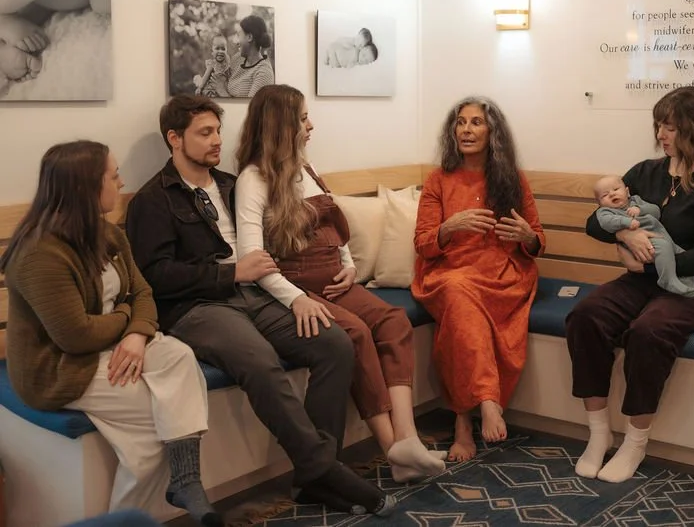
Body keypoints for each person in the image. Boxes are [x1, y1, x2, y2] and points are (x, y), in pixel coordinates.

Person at [125, 95, 395, 516]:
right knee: (259, 361)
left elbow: (269, 243)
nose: (217, 140)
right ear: (173, 139)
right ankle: (326, 468)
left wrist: (303, 287)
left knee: (334, 344)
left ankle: (312, 479)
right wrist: (231, 274)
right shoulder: (153, 200)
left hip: (253, 294)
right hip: (197, 308)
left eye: (217, 130)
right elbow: (156, 276)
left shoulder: (232, 183)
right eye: (205, 132)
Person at [1, 140, 221, 525]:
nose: (121, 182)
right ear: (86, 186)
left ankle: (185, 479)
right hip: (61, 366)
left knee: (179, 356)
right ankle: (131, 517)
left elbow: (144, 291)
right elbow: (76, 336)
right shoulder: (40, 255)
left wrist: (137, 335)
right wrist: (128, 317)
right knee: (155, 428)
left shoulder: (107, 234)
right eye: (114, 175)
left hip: (116, 344)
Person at [234, 84, 445, 483]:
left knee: (395, 321)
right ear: (280, 126)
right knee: (356, 334)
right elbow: (254, 260)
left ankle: (409, 436)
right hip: (297, 289)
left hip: (337, 281)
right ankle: (393, 450)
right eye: (302, 119)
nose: (310, 126)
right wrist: (295, 299)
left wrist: (348, 265)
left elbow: (333, 226)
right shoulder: (253, 179)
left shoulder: (307, 169)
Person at [565, 86, 694, 483]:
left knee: (647, 332)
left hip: (691, 291)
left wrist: (647, 257)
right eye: (659, 125)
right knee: (585, 315)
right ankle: (597, 434)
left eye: (671, 127)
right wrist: (625, 237)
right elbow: (595, 221)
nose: (662, 134)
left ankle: (634, 441)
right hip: (641, 284)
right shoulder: (645, 173)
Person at [412, 96, 545, 462]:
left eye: (476, 123)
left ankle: (462, 424)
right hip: (449, 272)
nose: (466, 130)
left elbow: (537, 239)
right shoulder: (439, 179)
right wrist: (449, 227)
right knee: (459, 294)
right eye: (460, 122)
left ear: (493, 132)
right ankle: (487, 402)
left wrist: (525, 236)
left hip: (502, 275)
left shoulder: (512, 179)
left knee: (463, 309)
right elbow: (423, 243)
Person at [592, 174, 694, 299]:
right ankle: (668, 280)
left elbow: (655, 211)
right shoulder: (605, 212)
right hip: (649, 243)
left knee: (683, 255)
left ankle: (688, 285)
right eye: (605, 195)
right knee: (663, 247)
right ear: (600, 203)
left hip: (662, 236)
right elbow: (606, 222)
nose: (612, 194)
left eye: (616, 189)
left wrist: (640, 209)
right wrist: (626, 223)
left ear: (627, 192)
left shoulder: (636, 201)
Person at [226, 14, 274, 98]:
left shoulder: (264, 73)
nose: (236, 41)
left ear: (249, 37)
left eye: (239, 35)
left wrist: (220, 90)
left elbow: (249, 107)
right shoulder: (237, 59)